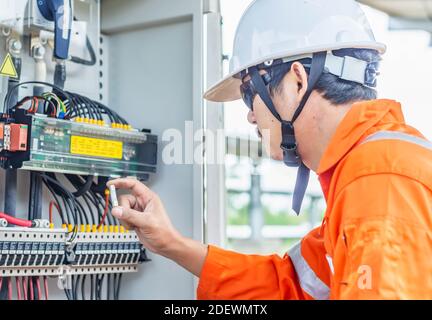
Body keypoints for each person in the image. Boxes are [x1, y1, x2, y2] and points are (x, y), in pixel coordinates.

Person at [108, 0, 432, 299]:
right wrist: (170, 243)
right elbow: (288, 284)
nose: (250, 114)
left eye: (250, 93)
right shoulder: (367, 171)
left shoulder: (380, 178)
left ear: (297, 81)